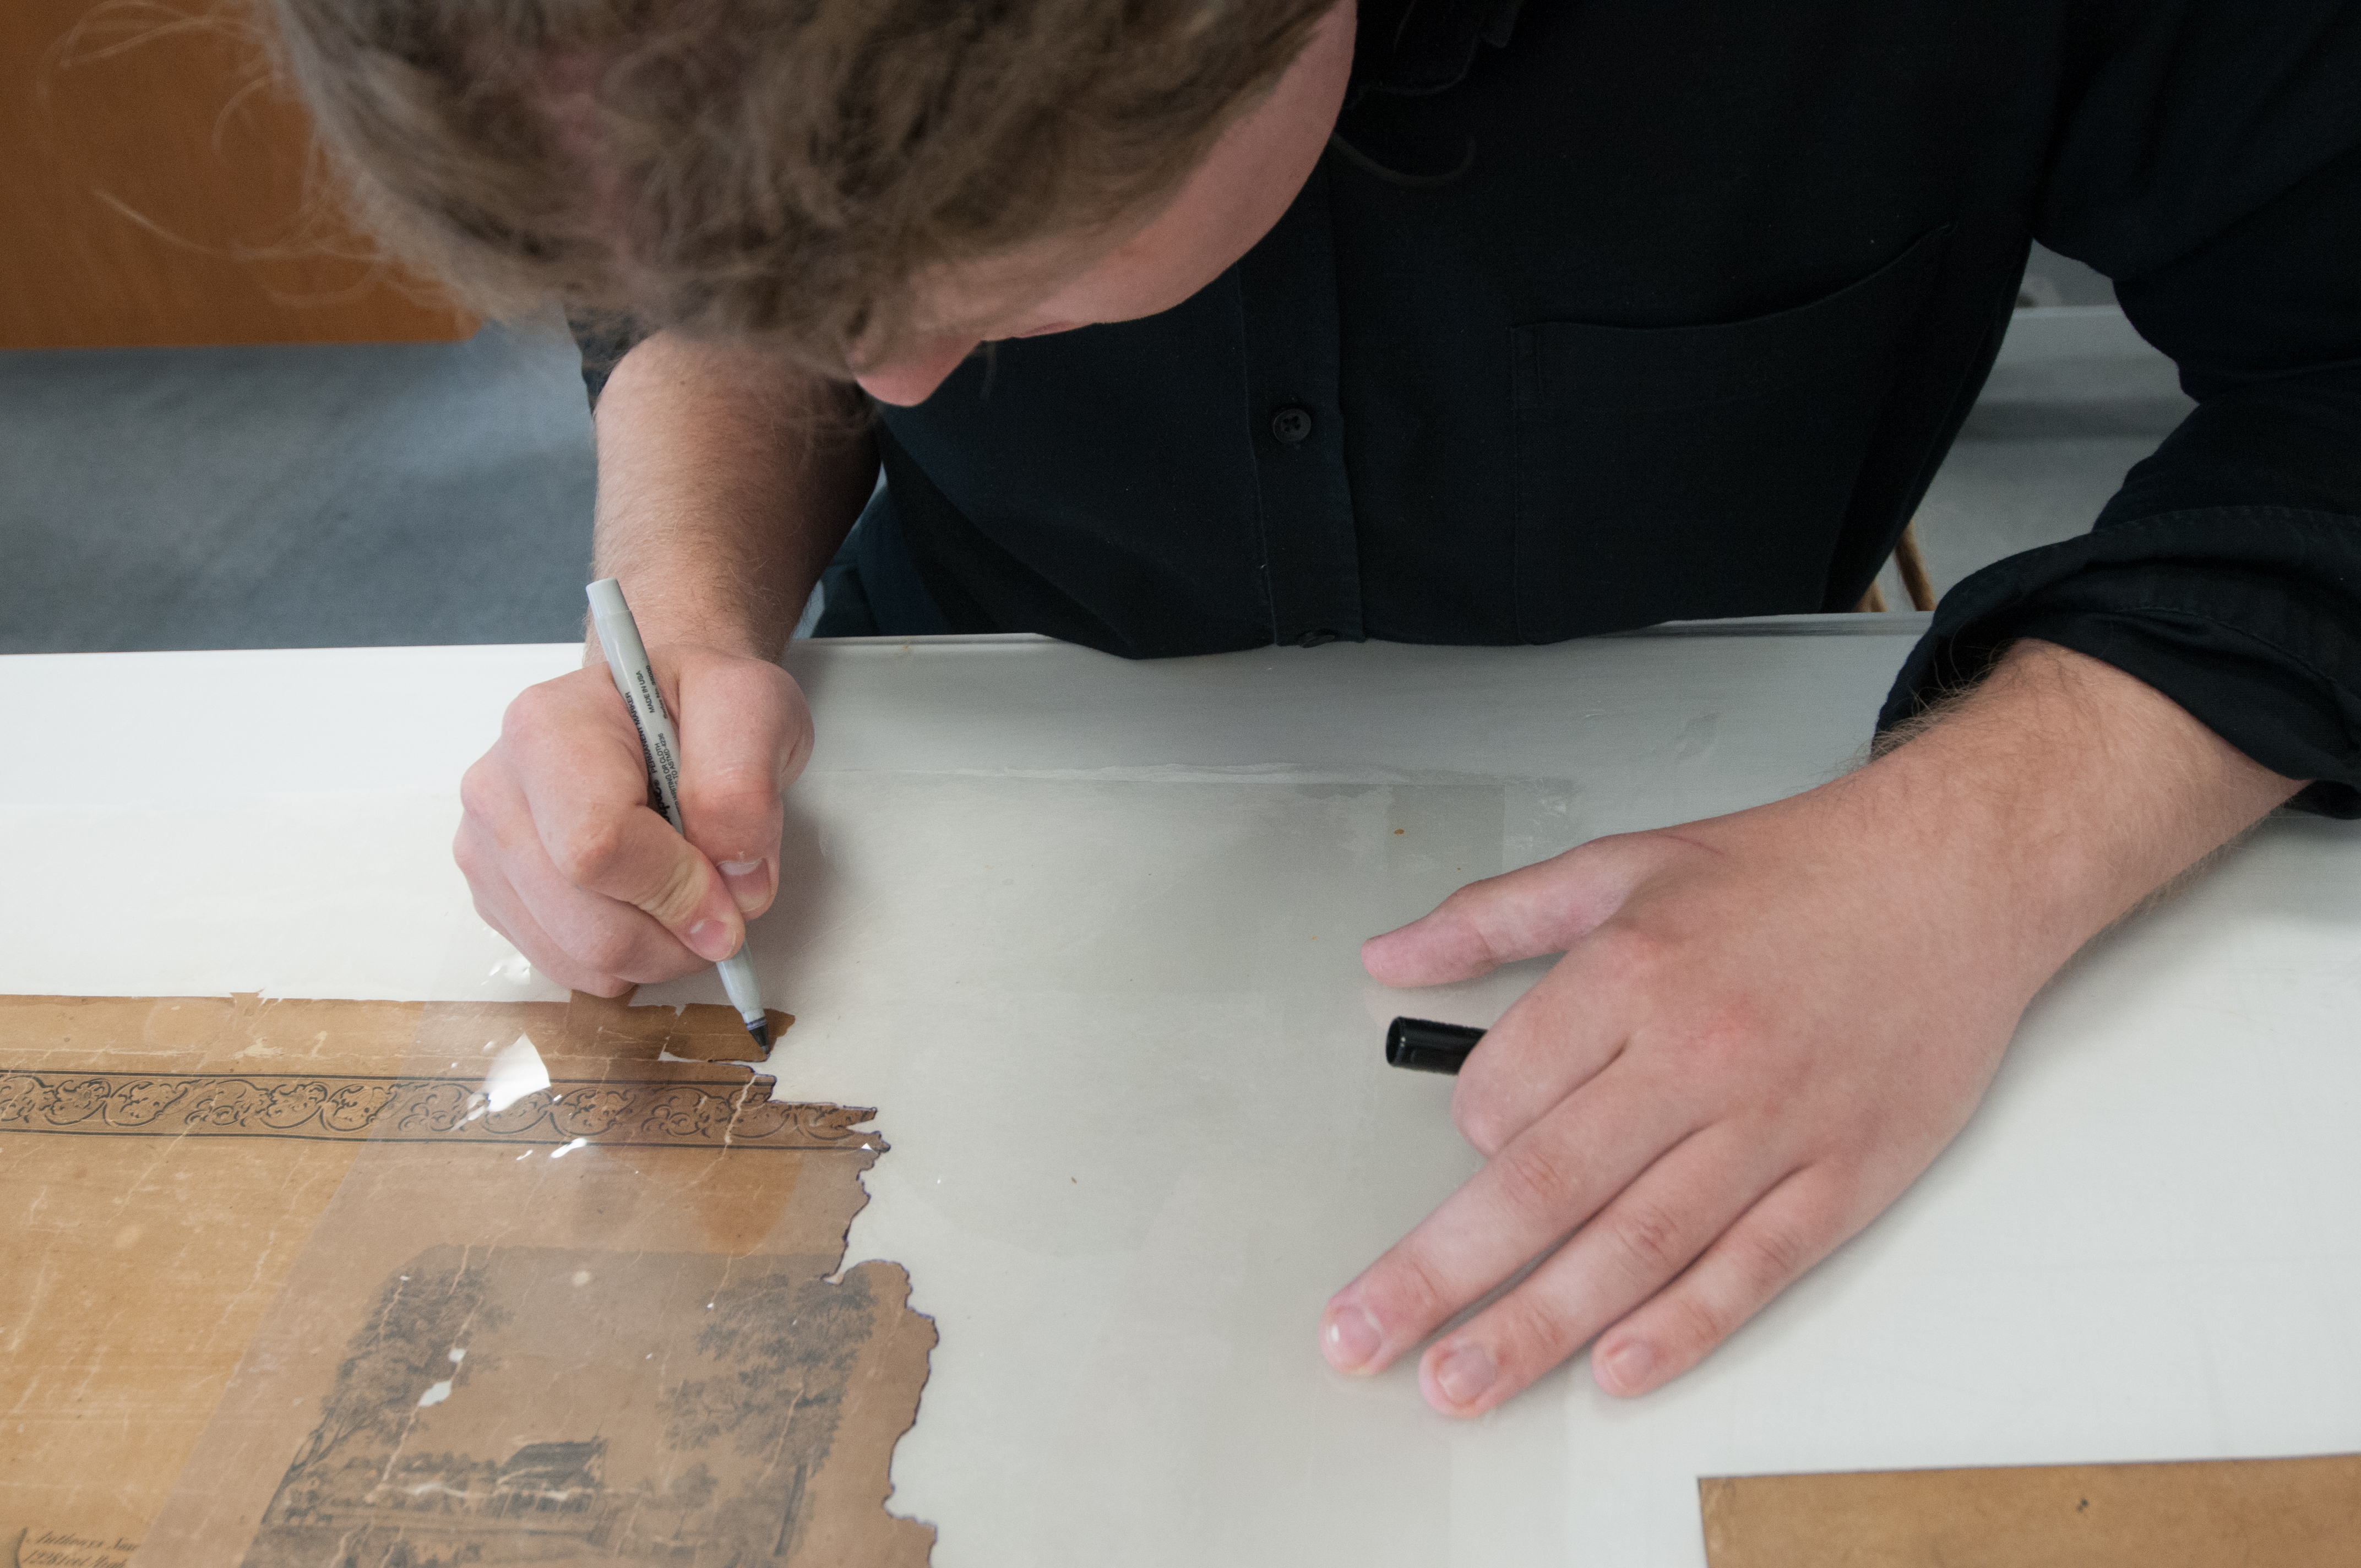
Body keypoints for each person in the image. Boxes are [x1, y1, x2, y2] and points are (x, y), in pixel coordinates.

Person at [270, 0, 2359, 1417]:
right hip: (951, 754)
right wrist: (683, 602)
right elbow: (702, 298)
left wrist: (1978, 856)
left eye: (987, 281)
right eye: (802, 297)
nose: (891, 386)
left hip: (1754, 794)